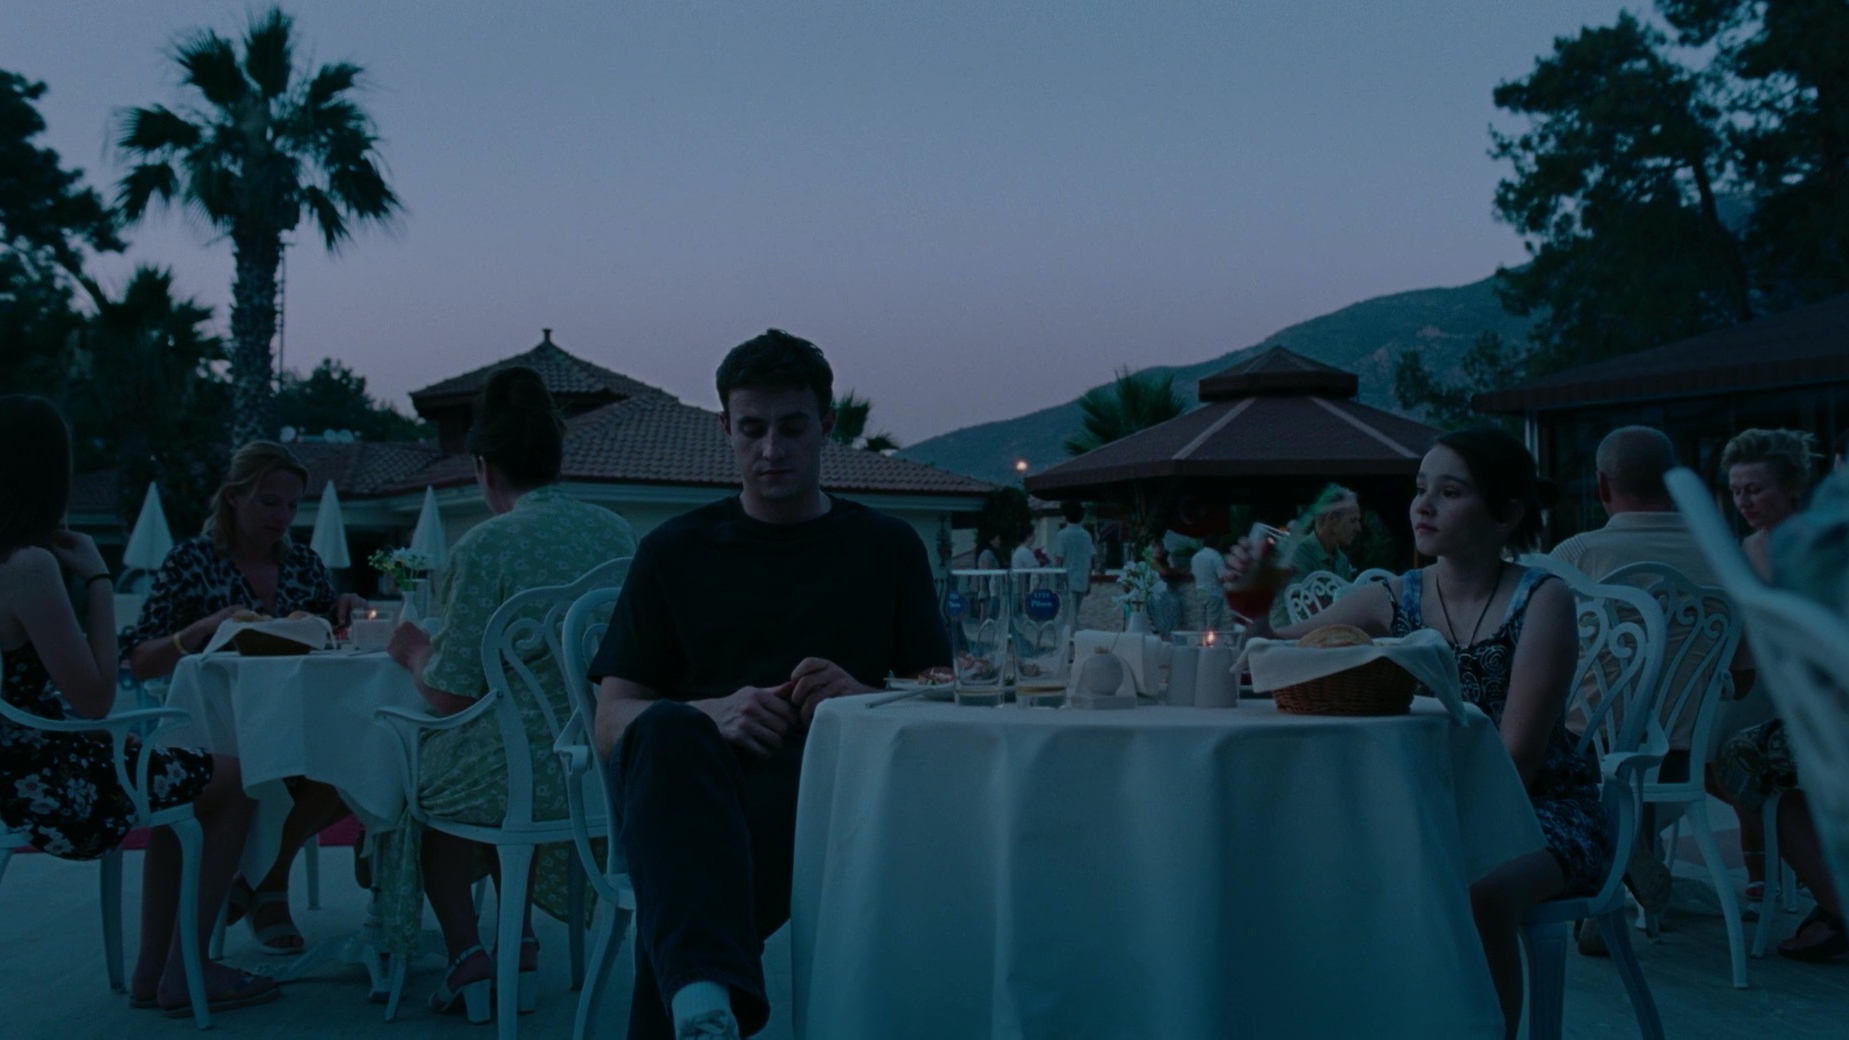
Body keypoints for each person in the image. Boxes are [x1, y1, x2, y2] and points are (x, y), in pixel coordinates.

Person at [588, 330, 951, 1040]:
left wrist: (864, 697)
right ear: (725, 429)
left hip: (839, 797)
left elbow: (940, 691)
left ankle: (699, 999)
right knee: (670, 731)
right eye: (752, 429)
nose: (771, 449)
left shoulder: (886, 547)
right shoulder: (673, 552)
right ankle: (701, 999)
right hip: (699, 791)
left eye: (792, 427)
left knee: (681, 884)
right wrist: (711, 713)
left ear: (826, 426)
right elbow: (610, 722)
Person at [1226, 427, 1596, 1038]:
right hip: (1417, 801)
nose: (1423, 505)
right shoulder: (1393, 597)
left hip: (1540, 809)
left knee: (1479, 891)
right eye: (1421, 488)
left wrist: (1417, 826)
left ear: (1505, 515)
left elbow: (1518, 759)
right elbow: (1272, 658)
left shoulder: (1541, 600)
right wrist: (1255, 607)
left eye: (1449, 492)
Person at [0, 396, 276, 1014]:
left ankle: (157, 970)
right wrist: (98, 580)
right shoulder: (28, 566)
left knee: (184, 775)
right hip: (41, 778)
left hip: (18, 761)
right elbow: (98, 698)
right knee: (237, 781)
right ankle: (187, 969)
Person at [382, 366, 638, 1016]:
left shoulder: (486, 545)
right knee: (495, 771)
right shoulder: (615, 533)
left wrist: (413, 651)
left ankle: (468, 956)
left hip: (521, 777)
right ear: (555, 457)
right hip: (597, 768)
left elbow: (448, 695)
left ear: (484, 467)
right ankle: (518, 940)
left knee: (422, 789)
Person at [122, 441, 367, 953]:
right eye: (269, 502)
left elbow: (328, 635)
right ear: (233, 497)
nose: (283, 517)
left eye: (292, 505)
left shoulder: (303, 563)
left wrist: (345, 606)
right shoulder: (190, 561)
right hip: (219, 730)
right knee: (289, 765)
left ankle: (262, 879)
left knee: (356, 759)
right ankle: (266, 889)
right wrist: (201, 629)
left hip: (297, 722)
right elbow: (140, 661)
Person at [1548, 426, 1724, 949]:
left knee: (1535, 743)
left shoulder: (1579, 554)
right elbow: (1740, 670)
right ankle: (1624, 856)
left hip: (1590, 752)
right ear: (1673, 481)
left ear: (1602, 485)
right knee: (1639, 743)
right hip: (1684, 756)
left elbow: (1538, 652)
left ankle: (1608, 858)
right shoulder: (1721, 553)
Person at [1711, 427, 1842, 961]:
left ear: (1793, 488)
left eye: (1755, 490)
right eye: (1736, 491)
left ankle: (1827, 902)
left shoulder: (1822, 544)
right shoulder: (1743, 550)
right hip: (1774, 688)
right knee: (1726, 755)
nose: (1744, 502)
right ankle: (1818, 894)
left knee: (1744, 757)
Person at [1269, 484, 1361, 626]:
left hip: (1327, 635)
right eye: (1353, 520)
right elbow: (1307, 610)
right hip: (1288, 637)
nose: (1358, 528)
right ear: (1332, 520)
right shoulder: (1296, 552)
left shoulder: (1342, 560)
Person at [1052, 501, 1095, 618]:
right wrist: (1089, 582)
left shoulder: (1062, 535)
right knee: (1075, 613)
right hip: (1082, 579)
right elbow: (1090, 560)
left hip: (1067, 581)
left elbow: (1059, 560)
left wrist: (1056, 582)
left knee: (1066, 615)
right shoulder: (1086, 535)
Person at [1190, 535, 1227, 631]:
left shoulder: (1196, 556)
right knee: (1212, 622)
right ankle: (1211, 640)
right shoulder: (1216, 556)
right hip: (1214, 592)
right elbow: (1222, 577)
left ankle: (1200, 638)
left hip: (1199, 591)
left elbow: (1193, 575)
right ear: (1217, 543)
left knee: (1201, 621)